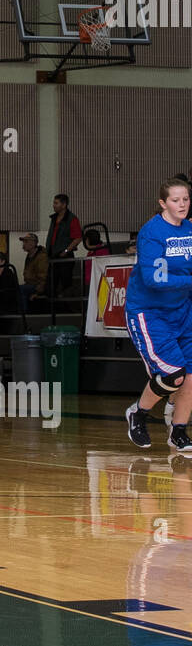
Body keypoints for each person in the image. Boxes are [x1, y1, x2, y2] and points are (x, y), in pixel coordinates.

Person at [124, 177, 192, 454]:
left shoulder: (189, 229)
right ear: (163, 203)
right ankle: (138, 413)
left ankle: (178, 431)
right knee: (173, 374)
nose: (182, 205)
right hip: (150, 313)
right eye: (176, 200)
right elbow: (154, 279)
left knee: (190, 376)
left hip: (182, 312)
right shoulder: (151, 233)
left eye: (186, 199)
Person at [46, 194, 83, 298]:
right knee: (50, 286)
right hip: (53, 256)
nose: (53, 205)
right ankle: (54, 310)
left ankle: (67, 310)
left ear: (64, 204)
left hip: (64, 257)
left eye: (56, 203)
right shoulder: (54, 218)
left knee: (65, 285)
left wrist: (66, 250)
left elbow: (78, 237)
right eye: (54, 203)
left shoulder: (72, 219)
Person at [19, 232, 49, 311]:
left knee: (20, 289)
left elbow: (44, 276)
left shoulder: (42, 257)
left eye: (26, 242)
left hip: (37, 286)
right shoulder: (30, 255)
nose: (23, 244)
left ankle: (24, 314)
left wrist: (38, 292)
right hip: (30, 285)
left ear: (33, 243)